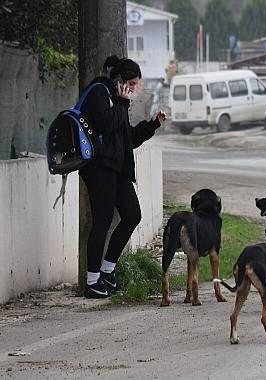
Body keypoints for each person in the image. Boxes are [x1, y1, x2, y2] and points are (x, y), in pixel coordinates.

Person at [80, 55, 166, 298]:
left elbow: (127, 138)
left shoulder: (117, 101)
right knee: (102, 222)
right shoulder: (100, 92)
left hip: (117, 169)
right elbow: (105, 125)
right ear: (121, 82)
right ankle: (92, 281)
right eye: (133, 84)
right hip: (99, 168)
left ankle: (108, 271)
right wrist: (121, 103)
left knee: (132, 215)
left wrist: (153, 125)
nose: (135, 89)